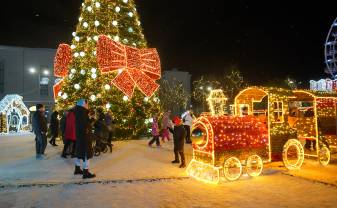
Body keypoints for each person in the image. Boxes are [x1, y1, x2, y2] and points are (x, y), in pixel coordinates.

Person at [74, 99, 96, 179]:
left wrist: (90, 119)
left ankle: (77, 168)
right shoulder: (82, 112)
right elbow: (86, 125)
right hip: (84, 136)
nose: (88, 105)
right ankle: (86, 172)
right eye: (87, 104)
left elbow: (83, 123)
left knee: (79, 151)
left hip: (80, 135)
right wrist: (92, 120)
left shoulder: (78, 111)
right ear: (83, 104)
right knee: (86, 153)